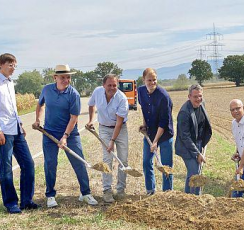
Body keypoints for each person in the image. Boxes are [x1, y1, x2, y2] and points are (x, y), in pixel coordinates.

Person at [33, 64, 97, 207]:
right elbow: (40, 105)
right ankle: (50, 195)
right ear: (55, 77)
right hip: (49, 133)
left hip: (70, 134)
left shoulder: (74, 94)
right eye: (63, 77)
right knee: (50, 163)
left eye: (68, 77)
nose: (66, 80)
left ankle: (85, 193)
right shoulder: (47, 90)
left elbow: (73, 118)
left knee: (78, 162)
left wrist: (65, 137)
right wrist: (37, 119)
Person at [0, 53, 38, 213]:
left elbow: (12, 108)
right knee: (6, 168)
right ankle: (11, 203)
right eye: (10, 65)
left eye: (15, 65)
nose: (13, 68)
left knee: (28, 164)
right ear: (1, 65)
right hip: (3, 132)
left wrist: (20, 123)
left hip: (15, 129)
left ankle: (26, 201)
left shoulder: (10, 83)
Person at [86, 74, 129, 203]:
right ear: (103, 85)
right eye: (109, 85)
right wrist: (90, 120)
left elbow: (119, 123)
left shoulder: (122, 99)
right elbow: (91, 105)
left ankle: (120, 190)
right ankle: (107, 190)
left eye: (114, 85)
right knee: (107, 159)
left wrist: (112, 141)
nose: (112, 87)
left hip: (120, 129)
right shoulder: (97, 92)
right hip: (104, 128)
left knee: (123, 160)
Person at [138, 68, 174, 195]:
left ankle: (167, 193)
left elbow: (163, 122)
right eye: (149, 80)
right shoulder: (141, 91)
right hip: (150, 132)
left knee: (166, 166)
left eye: (154, 80)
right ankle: (150, 190)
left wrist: (155, 141)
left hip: (164, 135)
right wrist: (144, 125)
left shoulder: (163, 96)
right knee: (147, 162)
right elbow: (143, 109)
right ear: (144, 80)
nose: (152, 83)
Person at [175, 84, 212, 195]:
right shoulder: (184, 113)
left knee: (193, 173)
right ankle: (196, 198)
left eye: (200, 96)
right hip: (186, 147)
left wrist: (203, 142)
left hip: (198, 143)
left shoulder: (202, 104)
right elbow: (184, 137)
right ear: (189, 96)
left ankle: (187, 197)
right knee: (195, 173)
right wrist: (197, 153)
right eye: (195, 97)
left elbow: (204, 125)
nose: (198, 99)